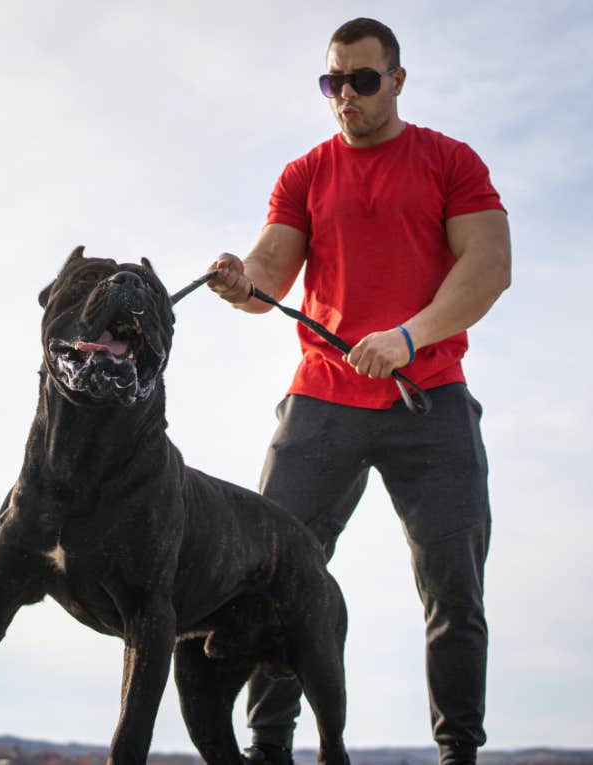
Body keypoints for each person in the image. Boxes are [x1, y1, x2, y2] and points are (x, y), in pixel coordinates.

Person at [205, 17, 511, 765]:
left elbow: (490, 265)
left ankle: (458, 752)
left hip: (430, 398)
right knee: (267, 571)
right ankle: (269, 747)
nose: (345, 96)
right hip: (322, 399)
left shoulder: (450, 161)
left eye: (362, 81)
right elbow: (271, 270)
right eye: (331, 82)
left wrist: (408, 335)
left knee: (455, 588)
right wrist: (243, 282)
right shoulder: (305, 173)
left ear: (397, 81)